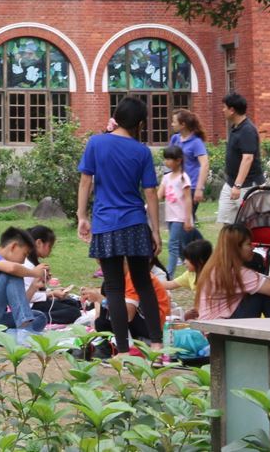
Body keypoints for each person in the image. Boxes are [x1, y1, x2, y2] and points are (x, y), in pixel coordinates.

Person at [77, 96, 163, 356]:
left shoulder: (96, 143)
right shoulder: (141, 151)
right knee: (143, 284)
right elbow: (150, 192)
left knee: (113, 288)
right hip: (135, 223)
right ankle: (157, 345)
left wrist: (82, 215)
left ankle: (123, 351)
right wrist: (156, 230)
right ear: (139, 123)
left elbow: (85, 181)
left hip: (105, 224)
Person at [194, 224, 270, 320]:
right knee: (261, 295)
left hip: (210, 325)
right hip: (219, 326)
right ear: (236, 248)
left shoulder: (218, 267)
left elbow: (262, 278)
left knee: (259, 290)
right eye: (249, 244)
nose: (253, 247)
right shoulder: (235, 273)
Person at [218, 93, 263, 225]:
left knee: (251, 225)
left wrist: (238, 185)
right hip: (230, 184)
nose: (223, 110)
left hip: (247, 186)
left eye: (224, 107)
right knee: (227, 224)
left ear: (232, 110)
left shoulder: (247, 130)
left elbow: (248, 158)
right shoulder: (236, 128)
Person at [25, 224, 82, 325]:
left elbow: (36, 289)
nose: (51, 250)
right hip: (31, 305)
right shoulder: (27, 266)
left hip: (36, 301)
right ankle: (37, 318)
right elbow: (26, 297)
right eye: (50, 246)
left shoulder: (33, 263)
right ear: (39, 243)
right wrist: (52, 294)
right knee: (73, 312)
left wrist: (49, 289)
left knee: (73, 302)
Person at [170, 109, 210, 223]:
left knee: (185, 220)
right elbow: (169, 161)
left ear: (183, 124)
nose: (172, 124)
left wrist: (199, 189)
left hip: (191, 187)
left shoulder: (196, 142)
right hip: (177, 185)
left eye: (174, 122)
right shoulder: (175, 139)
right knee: (179, 220)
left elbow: (205, 164)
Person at [160, 144, 195, 278]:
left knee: (172, 245)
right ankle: (194, 265)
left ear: (178, 160)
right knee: (179, 247)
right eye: (165, 159)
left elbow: (188, 199)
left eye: (169, 159)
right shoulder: (166, 177)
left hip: (180, 218)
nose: (166, 162)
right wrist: (147, 206)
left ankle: (169, 276)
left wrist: (188, 219)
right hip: (170, 217)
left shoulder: (183, 178)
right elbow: (159, 194)